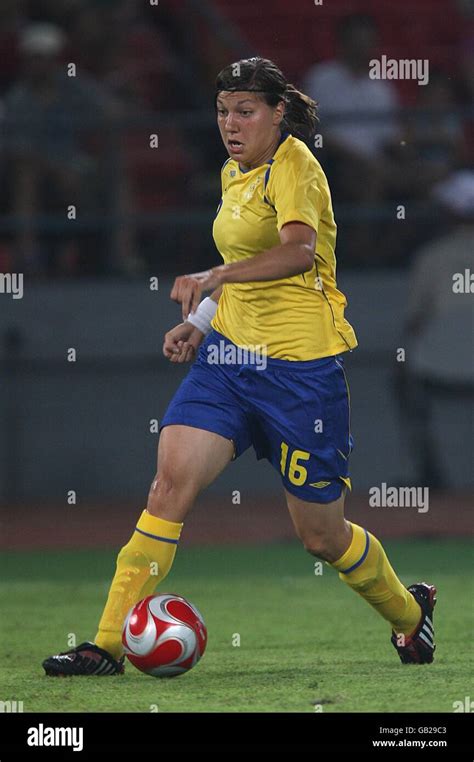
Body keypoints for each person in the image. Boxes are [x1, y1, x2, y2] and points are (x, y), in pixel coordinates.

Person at [43, 57, 436, 677]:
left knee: (322, 537)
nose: (231, 123)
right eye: (223, 111)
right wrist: (199, 324)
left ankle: (410, 615)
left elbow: (298, 252)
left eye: (245, 111)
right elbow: (242, 266)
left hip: (302, 373)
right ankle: (106, 644)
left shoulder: (297, 166)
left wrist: (213, 275)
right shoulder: (234, 171)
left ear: (278, 114)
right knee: (168, 487)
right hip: (227, 361)